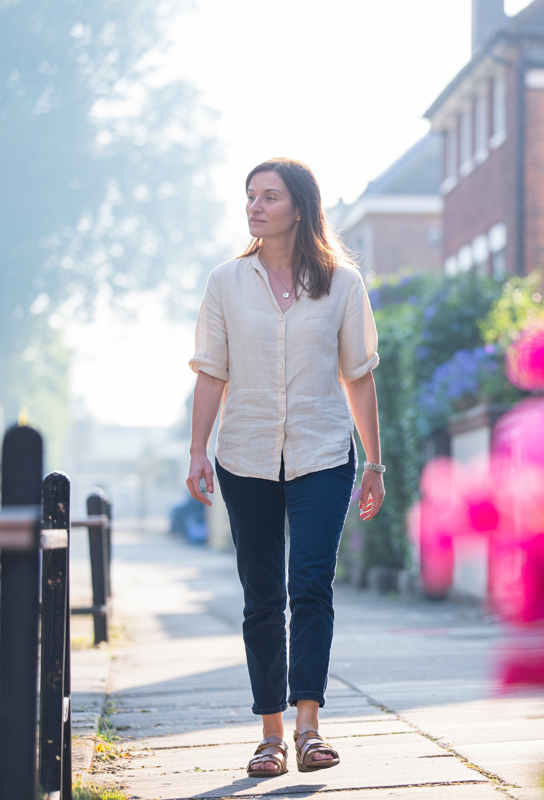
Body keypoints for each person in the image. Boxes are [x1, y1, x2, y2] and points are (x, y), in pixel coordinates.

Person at [186, 157, 385, 777]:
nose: (255, 206)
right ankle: (269, 733)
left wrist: (374, 462)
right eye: (250, 196)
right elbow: (211, 370)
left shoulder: (343, 284)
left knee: (311, 585)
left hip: (323, 454)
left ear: (299, 207)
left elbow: (359, 376)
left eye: (269, 196)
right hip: (244, 455)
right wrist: (197, 451)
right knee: (262, 595)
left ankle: (309, 727)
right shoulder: (226, 282)